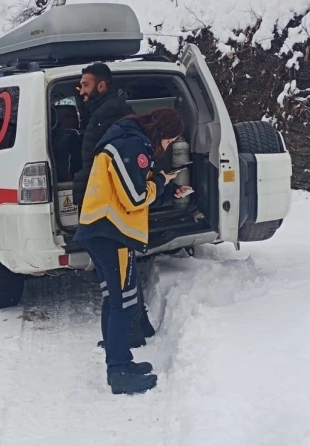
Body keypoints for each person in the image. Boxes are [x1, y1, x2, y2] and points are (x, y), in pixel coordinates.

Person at [74, 109, 192, 394]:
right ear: (163, 131)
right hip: (111, 233)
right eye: (170, 139)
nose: (167, 146)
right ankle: (119, 371)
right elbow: (135, 196)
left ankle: (119, 361)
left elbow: (132, 188)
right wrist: (160, 182)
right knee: (124, 303)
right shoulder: (132, 144)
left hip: (102, 230)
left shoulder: (127, 140)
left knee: (113, 300)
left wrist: (164, 187)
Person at [72, 63, 134, 210]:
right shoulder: (100, 111)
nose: (81, 92)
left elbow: (113, 160)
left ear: (101, 86)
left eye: (85, 85)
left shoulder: (111, 112)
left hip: (103, 195)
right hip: (97, 191)